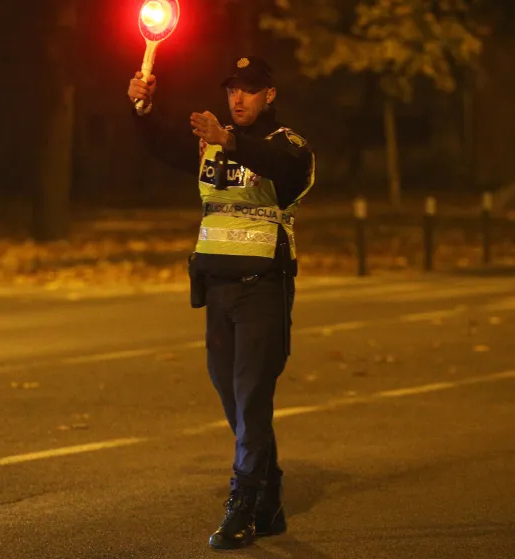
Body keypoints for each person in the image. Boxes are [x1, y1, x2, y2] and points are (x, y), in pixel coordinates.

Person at [126, 56, 316, 550]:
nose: (238, 99)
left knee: (252, 397)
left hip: (262, 287)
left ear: (269, 95)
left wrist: (229, 139)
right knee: (233, 399)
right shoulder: (211, 144)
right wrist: (143, 107)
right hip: (217, 290)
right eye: (233, 90)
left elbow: (279, 167)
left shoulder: (288, 145)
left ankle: (244, 504)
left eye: (250, 91)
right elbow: (161, 144)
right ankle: (268, 494)